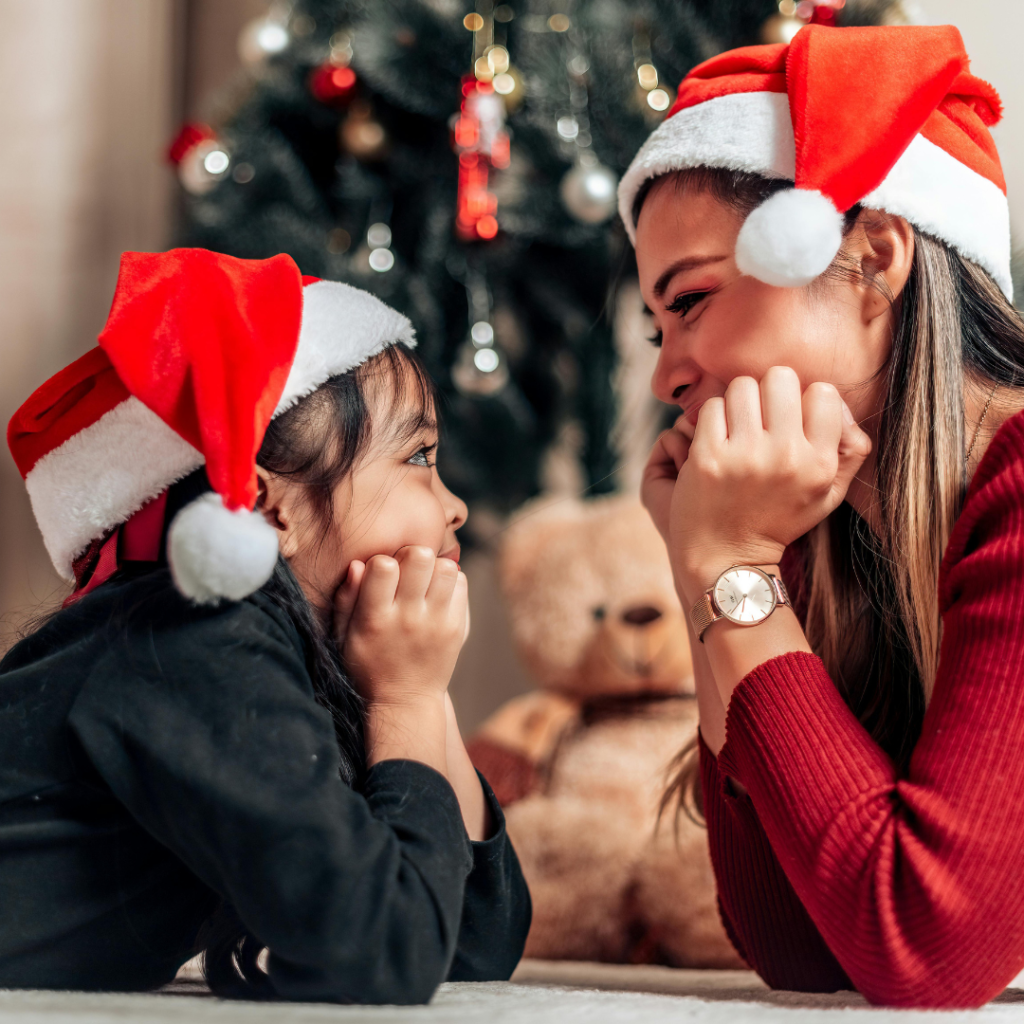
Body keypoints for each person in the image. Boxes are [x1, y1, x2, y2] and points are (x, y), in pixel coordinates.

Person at [618, 23, 1024, 1009]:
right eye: (655, 326)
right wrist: (704, 572)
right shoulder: (827, 539)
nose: (668, 372)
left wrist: (731, 565)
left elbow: (926, 952)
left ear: (872, 257)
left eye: (694, 300)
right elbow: (792, 942)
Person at [0, 249, 530, 1001]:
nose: (455, 506)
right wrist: (405, 701)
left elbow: (475, 946)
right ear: (269, 505)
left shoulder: (272, 654)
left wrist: (419, 693)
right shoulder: (188, 644)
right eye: (418, 456)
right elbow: (386, 953)